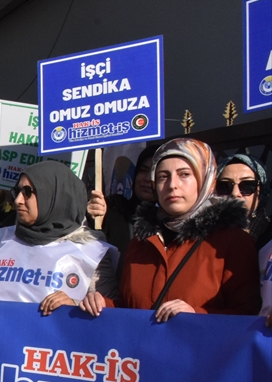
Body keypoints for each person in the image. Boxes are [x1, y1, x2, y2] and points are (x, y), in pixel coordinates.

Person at [80, 137, 260, 321]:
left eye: (184, 174)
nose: (172, 185)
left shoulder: (232, 242)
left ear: (205, 178)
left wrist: (196, 316)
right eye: (162, 176)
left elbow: (248, 317)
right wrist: (101, 304)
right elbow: (131, 310)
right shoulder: (141, 242)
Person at [0, 161, 118, 311]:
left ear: (53, 196)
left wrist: (73, 306)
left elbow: (111, 313)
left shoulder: (91, 251)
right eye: (17, 191)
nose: (18, 200)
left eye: (27, 192)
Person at [216, 153, 270, 248]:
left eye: (247, 185)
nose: (235, 193)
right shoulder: (203, 235)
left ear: (260, 191)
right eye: (225, 186)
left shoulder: (268, 237)